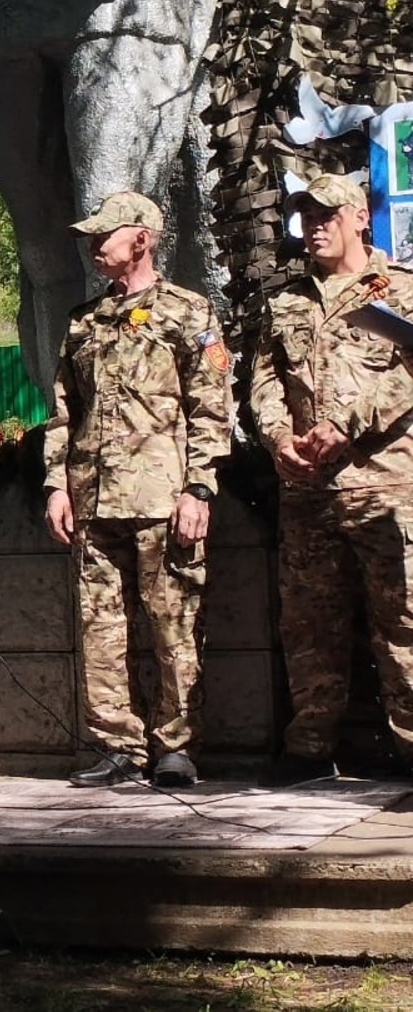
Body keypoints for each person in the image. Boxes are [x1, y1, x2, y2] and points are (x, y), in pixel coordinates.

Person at [42, 192, 232, 789]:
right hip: (93, 498)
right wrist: (56, 485)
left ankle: (176, 747)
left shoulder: (188, 312)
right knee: (100, 629)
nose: (94, 246)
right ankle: (117, 747)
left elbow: (212, 407)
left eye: (105, 235)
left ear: (142, 239)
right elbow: (63, 412)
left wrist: (199, 487)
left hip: (162, 498)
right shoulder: (84, 321)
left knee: (174, 624)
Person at [249, 173, 413, 782]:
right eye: (306, 217)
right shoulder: (287, 301)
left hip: (384, 486)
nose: (314, 227)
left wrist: (348, 423)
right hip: (308, 490)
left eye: (327, 215)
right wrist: (277, 438)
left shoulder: (401, 291)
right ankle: (311, 746)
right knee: (309, 624)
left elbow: (409, 375)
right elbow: (263, 381)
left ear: (361, 218)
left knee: (404, 622)